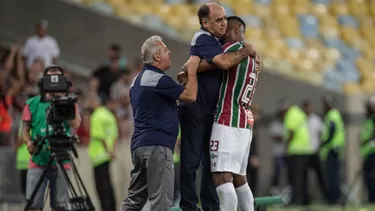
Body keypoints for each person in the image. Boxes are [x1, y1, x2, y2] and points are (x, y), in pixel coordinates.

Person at [178, 3, 256, 211]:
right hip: (197, 108)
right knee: (191, 161)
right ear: (205, 23)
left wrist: (191, 68)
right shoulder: (202, 38)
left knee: (212, 166)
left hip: (216, 113)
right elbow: (222, 62)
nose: (223, 24)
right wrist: (246, 51)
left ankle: (211, 207)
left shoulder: (219, 41)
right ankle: (189, 206)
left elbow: (215, 62)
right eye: (218, 20)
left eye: (224, 20)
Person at [120, 35, 199, 211]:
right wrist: (192, 70)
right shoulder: (158, 79)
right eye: (165, 50)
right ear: (156, 56)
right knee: (161, 203)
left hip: (139, 146)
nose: (169, 52)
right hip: (157, 147)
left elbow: (159, 105)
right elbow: (191, 96)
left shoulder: (137, 81)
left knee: (133, 201)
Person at [206, 16, 261, 211]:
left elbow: (215, 62)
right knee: (239, 179)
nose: (221, 37)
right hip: (244, 123)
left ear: (236, 30)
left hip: (227, 119)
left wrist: (190, 68)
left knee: (222, 177)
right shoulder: (256, 57)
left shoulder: (233, 48)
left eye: (225, 31)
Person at [22, 67, 81, 211]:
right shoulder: (32, 103)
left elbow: (76, 124)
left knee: (61, 207)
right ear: (43, 82)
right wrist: (29, 142)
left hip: (62, 161)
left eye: (58, 79)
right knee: (33, 206)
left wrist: (64, 101)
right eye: (50, 79)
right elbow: (24, 130)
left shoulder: (69, 103)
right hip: (38, 160)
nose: (54, 84)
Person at [279, 99, 312, 205]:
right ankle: (304, 199)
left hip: (297, 150)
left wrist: (287, 146)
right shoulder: (298, 112)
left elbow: (291, 131)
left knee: (295, 177)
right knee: (303, 177)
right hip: (305, 149)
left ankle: (296, 199)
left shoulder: (291, 114)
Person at [87, 96, 118, 211]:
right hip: (107, 156)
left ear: (96, 102)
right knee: (108, 184)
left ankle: (106, 208)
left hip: (99, 156)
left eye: (91, 100)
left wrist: (108, 150)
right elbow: (115, 135)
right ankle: (112, 208)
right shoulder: (109, 115)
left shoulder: (96, 116)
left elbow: (99, 136)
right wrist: (112, 151)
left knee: (101, 187)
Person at [320, 96, 345, 204]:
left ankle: (333, 198)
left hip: (332, 149)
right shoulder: (336, 114)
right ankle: (334, 197)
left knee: (332, 175)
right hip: (335, 148)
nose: (324, 106)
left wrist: (324, 143)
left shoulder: (332, 115)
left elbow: (331, 131)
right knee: (333, 174)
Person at [301, 100, 328, 202]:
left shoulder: (316, 119)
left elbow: (323, 132)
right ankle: (305, 199)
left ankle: (326, 197)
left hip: (314, 151)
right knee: (304, 177)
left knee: (320, 175)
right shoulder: (301, 119)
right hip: (304, 152)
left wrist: (320, 145)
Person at [360, 96, 375, 203]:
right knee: (368, 178)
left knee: (371, 178)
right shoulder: (369, 118)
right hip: (368, 152)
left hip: (372, 152)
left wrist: (368, 140)